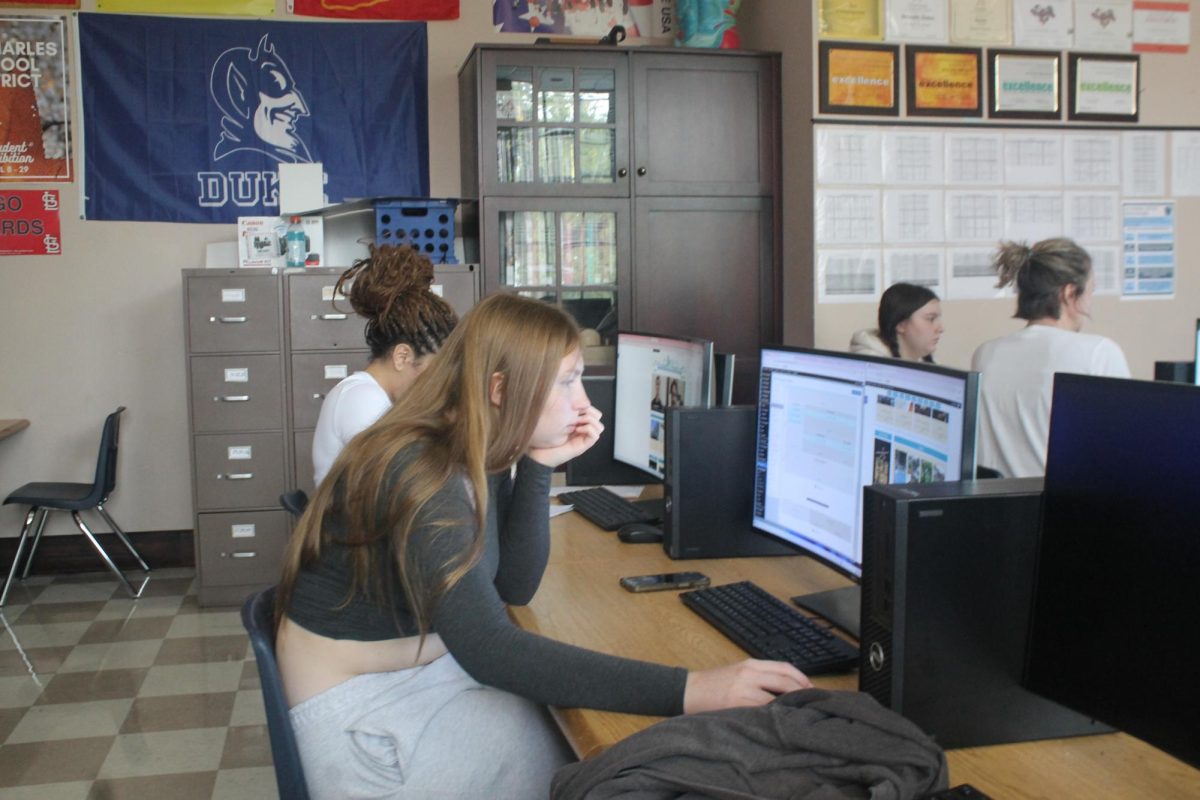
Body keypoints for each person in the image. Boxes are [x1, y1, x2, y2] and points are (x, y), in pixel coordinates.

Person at [275, 293, 812, 799]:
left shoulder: (470, 444)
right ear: (502, 390)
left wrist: (536, 464)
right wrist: (693, 689)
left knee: (595, 748)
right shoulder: (421, 473)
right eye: (568, 382)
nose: (582, 403)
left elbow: (513, 585)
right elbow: (490, 649)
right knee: (603, 762)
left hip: (409, 676)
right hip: (367, 727)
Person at [971, 239, 1130, 478]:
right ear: (1069, 293)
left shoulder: (986, 353)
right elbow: (1124, 451)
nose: (1091, 302)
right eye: (1091, 290)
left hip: (1001, 508)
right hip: (1067, 509)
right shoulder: (1099, 353)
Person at [310, 245, 457, 485]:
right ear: (402, 357)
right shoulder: (360, 397)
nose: (436, 384)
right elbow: (409, 478)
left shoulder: (383, 399)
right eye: (433, 371)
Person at [850, 283, 943, 362]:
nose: (940, 329)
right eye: (930, 319)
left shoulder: (922, 360)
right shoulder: (872, 366)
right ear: (901, 324)